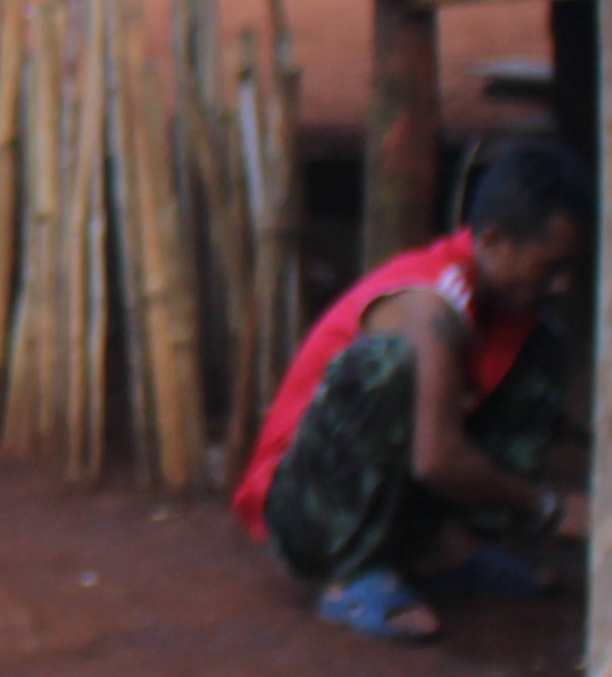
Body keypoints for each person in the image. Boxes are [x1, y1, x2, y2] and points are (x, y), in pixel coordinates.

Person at [233, 144, 593, 643]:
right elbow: (435, 460)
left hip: (383, 493)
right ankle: (351, 573)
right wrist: (548, 507)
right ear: (493, 241)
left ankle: (444, 548)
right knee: (391, 365)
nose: (562, 283)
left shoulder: (498, 307)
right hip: (305, 513)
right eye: (549, 266)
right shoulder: (430, 309)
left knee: (543, 344)